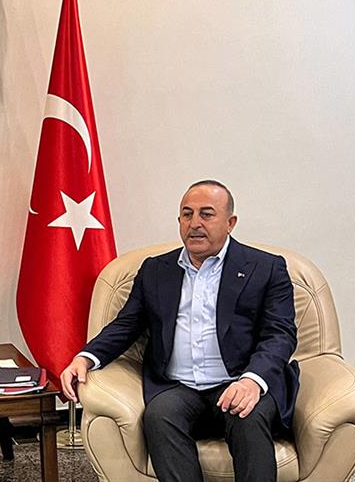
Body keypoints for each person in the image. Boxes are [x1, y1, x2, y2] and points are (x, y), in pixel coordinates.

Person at [60, 180, 299, 482]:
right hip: (178, 387)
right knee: (160, 416)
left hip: (240, 381)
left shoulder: (265, 268)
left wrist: (253, 380)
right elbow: (126, 325)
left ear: (230, 223)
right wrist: (85, 357)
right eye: (187, 214)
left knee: (247, 416)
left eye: (206, 214)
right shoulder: (155, 270)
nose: (195, 223)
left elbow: (280, 334)